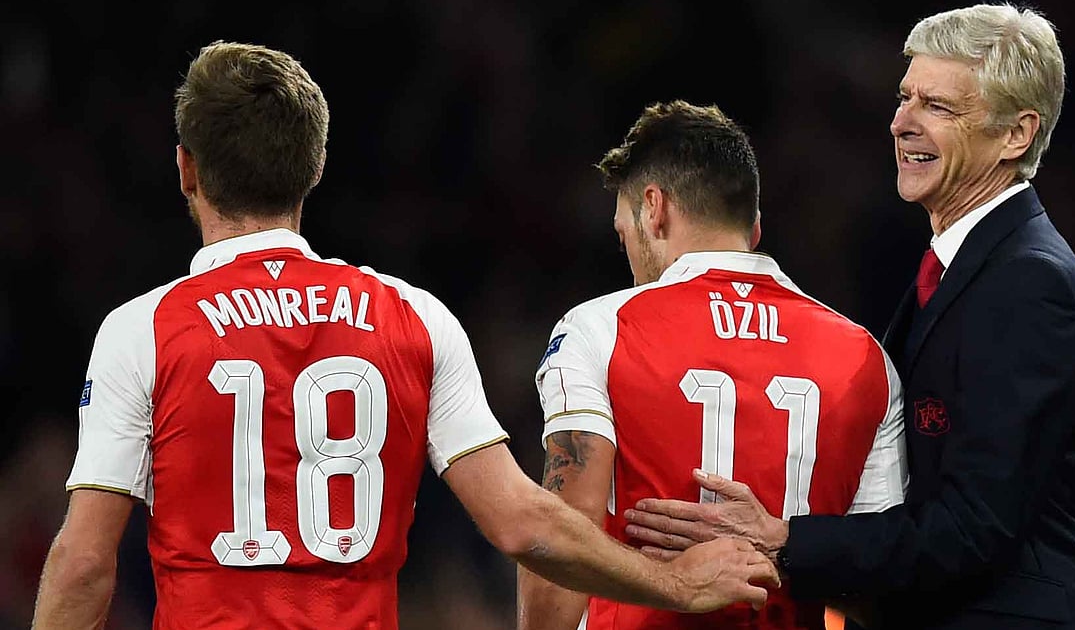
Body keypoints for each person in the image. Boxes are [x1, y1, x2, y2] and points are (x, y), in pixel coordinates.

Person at [30, 41, 779, 629]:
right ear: (314, 167)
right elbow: (523, 523)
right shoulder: (412, 315)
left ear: (186, 169)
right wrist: (676, 582)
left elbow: (85, 564)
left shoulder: (145, 329)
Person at [623, 3, 1075, 629]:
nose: (901, 123)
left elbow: (975, 526)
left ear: (1016, 134)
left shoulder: (1032, 282)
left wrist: (787, 539)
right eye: (904, 97)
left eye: (938, 107)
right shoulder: (959, 270)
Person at [516, 100, 907, 630]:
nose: (628, 256)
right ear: (755, 227)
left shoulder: (600, 329)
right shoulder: (865, 360)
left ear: (654, 209)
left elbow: (558, 536)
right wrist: (783, 554)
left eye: (623, 233)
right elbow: (885, 581)